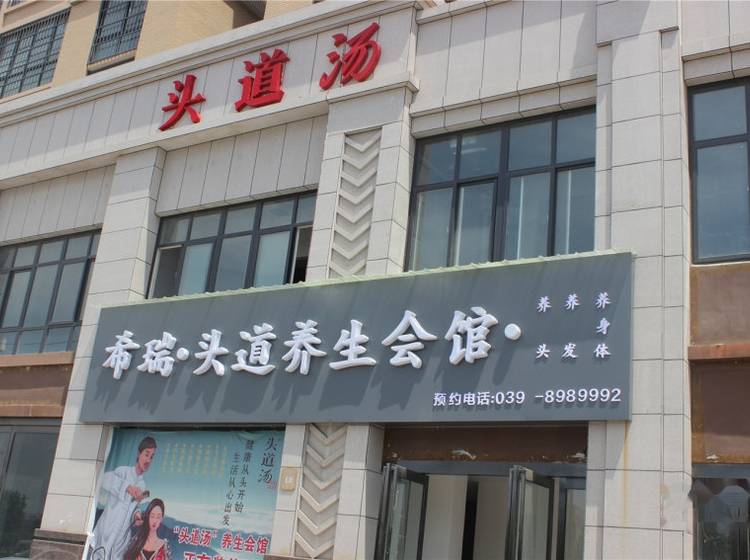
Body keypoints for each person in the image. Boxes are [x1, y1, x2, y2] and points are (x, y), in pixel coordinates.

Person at [90, 436, 157, 560]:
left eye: (152, 457)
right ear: (138, 454)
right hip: (108, 529)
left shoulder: (142, 484)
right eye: (146, 454)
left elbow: (134, 506)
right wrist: (127, 487)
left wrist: (136, 516)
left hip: (121, 538)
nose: (148, 460)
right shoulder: (123, 472)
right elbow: (105, 479)